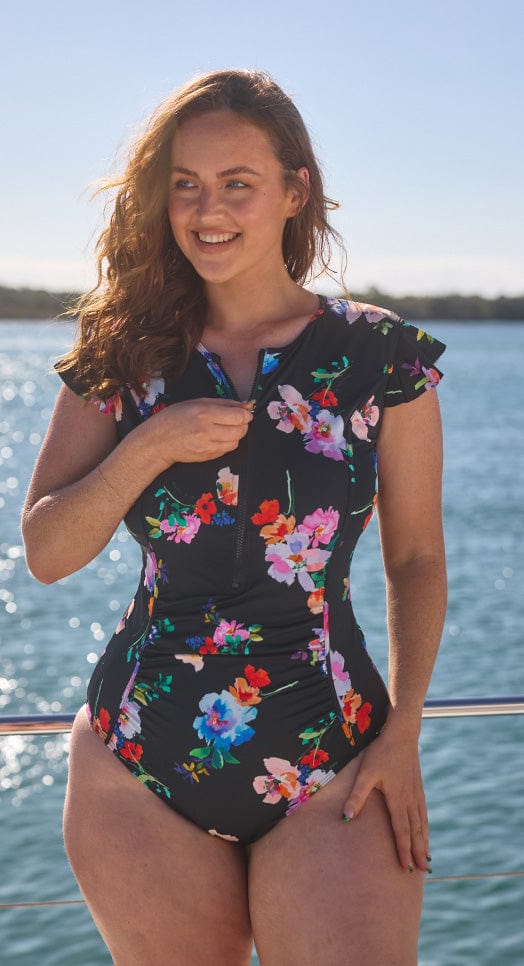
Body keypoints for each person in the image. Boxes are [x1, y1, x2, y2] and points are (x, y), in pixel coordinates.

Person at [22, 69, 447, 965]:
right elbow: (47, 551)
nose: (206, 210)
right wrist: (150, 445)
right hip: (139, 760)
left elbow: (415, 560)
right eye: (185, 184)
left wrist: (404, 736)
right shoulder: (125, 354)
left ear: (295, 192)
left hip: (335, 756)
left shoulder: (379, 355)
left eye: (237, 184)